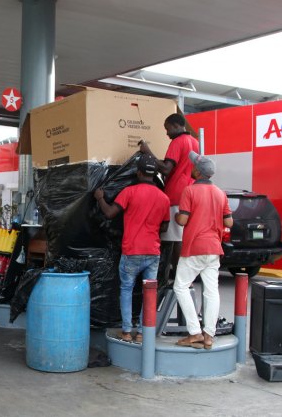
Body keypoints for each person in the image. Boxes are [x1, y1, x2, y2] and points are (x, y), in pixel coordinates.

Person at [94, 154, 170, 342]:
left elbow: (110, 213)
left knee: (127, 289)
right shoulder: (164, 198)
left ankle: (127, 331)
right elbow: (166, 227)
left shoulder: (130, 192)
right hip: (153, 252)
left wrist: (100, 198)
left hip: (132, 251)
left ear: (138, 173)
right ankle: (143, 333)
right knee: (149, 293)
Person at [173, 151, 233, 349]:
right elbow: (229, 222)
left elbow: (182, 220)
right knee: (211, 291)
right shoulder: (220, 193)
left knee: (180, 286)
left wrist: (175, 217)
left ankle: (195, 332)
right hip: (214, 249)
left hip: (194, 247)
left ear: (197, 172)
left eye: (193, 166)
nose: (190, 168)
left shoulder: (189, 191)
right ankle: (209, 335)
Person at [140, 113, 199, 281]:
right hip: (189, 193)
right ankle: (181, 277)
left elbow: (166, 169)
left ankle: (175, 278)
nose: (167, 133)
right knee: (180, 237)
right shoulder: (195, 142)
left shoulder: (177, 142)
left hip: (175, 195)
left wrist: (148, 152)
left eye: (167, 129)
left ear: (175, 126)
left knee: (172, 239)